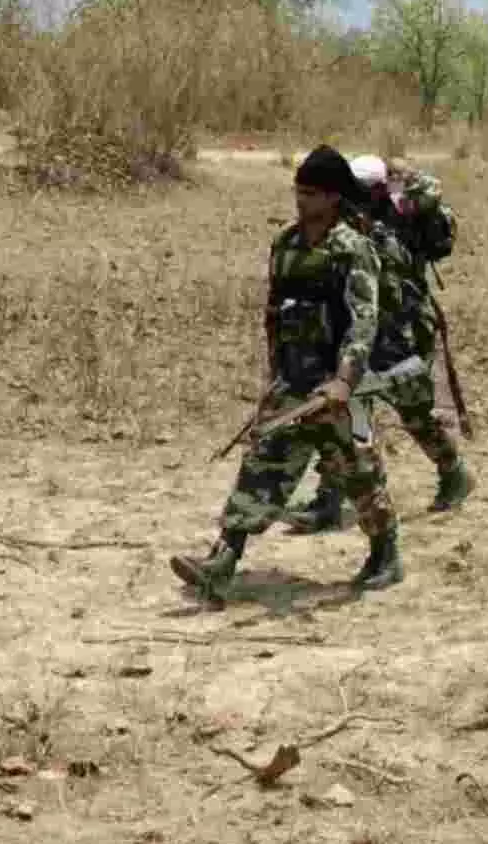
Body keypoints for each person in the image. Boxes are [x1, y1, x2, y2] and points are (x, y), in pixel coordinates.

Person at [169, 146, 401, 606]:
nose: (301, 199)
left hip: (336, 387)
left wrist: (345, 380)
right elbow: (275, 313)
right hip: (294, 383)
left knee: (358, 474)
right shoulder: (287, 246)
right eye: (297, 189)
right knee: (261, 464)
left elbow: (363, 320)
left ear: (333, 198)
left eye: (311, 192)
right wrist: (274, 373)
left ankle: (385, 554)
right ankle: (223, 559)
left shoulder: (354, 250)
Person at [291, 154, 472, 531]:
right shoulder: (353, 221)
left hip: (400, 335)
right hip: (360, 333)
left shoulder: (394, 221)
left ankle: (454, 472)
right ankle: (329, 499)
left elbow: (392, 278)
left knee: (415, 413)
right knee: (341, 414)